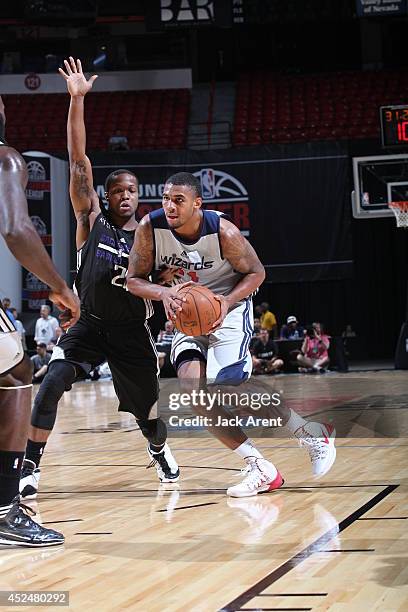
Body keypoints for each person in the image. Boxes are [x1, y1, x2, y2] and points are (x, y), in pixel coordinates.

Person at [20, 57, 179, 501]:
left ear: (138, 196)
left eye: (132, 191)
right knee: (49, 383)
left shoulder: (152, 239)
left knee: (147, 414)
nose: (125, 197)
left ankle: (158, 448)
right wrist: (76, 101)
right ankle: (30, 467)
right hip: (89, 324)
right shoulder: (92, 221)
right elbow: (77, 162)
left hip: (132, 333)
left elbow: (167, 285)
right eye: (117, 191)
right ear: (105, 196)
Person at [127, 171, 336, 498]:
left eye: (178, 200)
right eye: (166, 199)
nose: (169, 206)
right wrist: (163, 293)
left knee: (229, 387)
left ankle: (310, 433)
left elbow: (257, 272)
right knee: (193, 392)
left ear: (198, 203)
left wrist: (226, 301)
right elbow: (133, 280)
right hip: (187, 312)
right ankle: (260, 467)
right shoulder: (149, 228)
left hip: (229, 308)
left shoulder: (223, 231)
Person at [0, 94, 80, 546]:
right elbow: (17, 229)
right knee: (15, 372)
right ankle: (5, 511)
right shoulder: (6, 158)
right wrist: (60, 285)